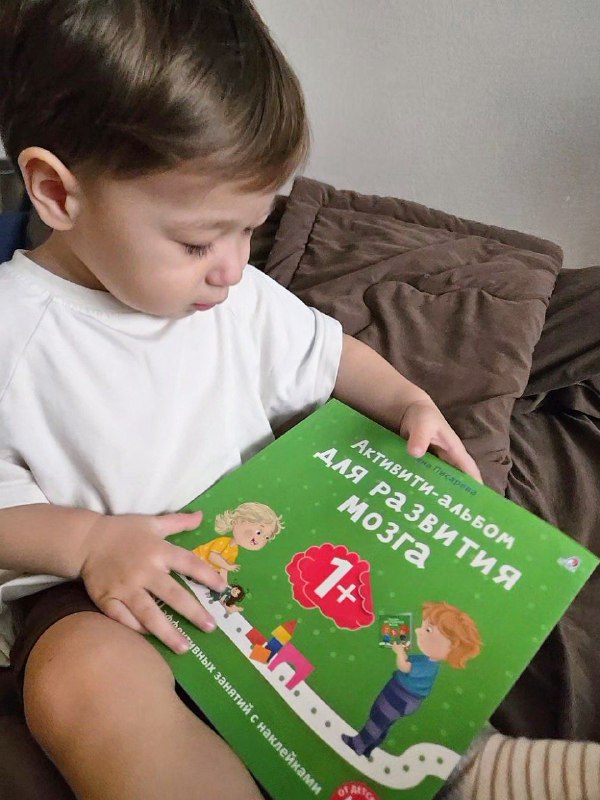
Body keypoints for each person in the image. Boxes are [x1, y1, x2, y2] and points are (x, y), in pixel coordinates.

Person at [1, 3, 593, 800]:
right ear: (55, 192)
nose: (231, 267)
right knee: (80, 683)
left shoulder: (235, 294)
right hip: (96, 584)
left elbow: (332, 353)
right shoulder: (13, 332)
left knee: (398, 633)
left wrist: (408, 401)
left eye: (252, 229)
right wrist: (89, 545)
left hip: (266, 545)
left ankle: (469, 769)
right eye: (197, 240)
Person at [342, 602, 481, 758]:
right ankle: (368, 748)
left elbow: (405, 667)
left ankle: (357, 745)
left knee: (378, 720)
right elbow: (409, 662)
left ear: (451, 646)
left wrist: (399, 653)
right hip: (401, 694)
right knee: (382, 722)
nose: (417, 631)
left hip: (401, 697)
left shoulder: (429, 666)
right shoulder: (427, 660)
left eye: (428, 630)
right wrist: (403, 650)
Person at [193, 501, 283, 579]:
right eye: (259, 532)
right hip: (194, 562)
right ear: (237, 521)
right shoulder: (223, 541)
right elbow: (212, 557)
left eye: (267, 537)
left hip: (204, 573)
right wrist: (228, 566)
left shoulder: (234, 550)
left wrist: (225, 585)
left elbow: (223, 569)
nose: (260, 539)